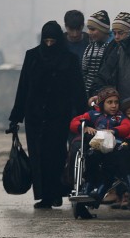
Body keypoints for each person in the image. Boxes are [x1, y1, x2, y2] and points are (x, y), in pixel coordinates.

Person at [8, 21, 87, 209]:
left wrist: (84, 115)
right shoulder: (32, 56)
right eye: (47, 41)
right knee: (37, 157)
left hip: (58, 117)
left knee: (56, 156)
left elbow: (78, 90)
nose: (50, 45)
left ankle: (56, 193)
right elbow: (23, 88)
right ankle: (44, 195)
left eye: (53, 41)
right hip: (34, 116)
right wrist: (16, 117)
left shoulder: (69, 59)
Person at [69, 87, 130, 203]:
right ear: (102, 103)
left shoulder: (120, 116)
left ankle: (101, 190)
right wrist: (85, 128)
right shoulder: (93, 114)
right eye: (110, 102)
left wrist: (114, 131)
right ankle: (87, 186)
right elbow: (74, 122)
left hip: (114, 149)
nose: (114, 106)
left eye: (116, 102)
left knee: (112, 159)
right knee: (91, 156)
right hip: (97, 148)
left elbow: (127, 126)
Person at [82, 10, 111, 97]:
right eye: (89, 29)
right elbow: (84, 73)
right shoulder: (89, 48)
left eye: (92, 29)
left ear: (103, 29)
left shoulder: (112, 48)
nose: (89, 32)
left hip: (107, 96)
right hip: (89, 96)